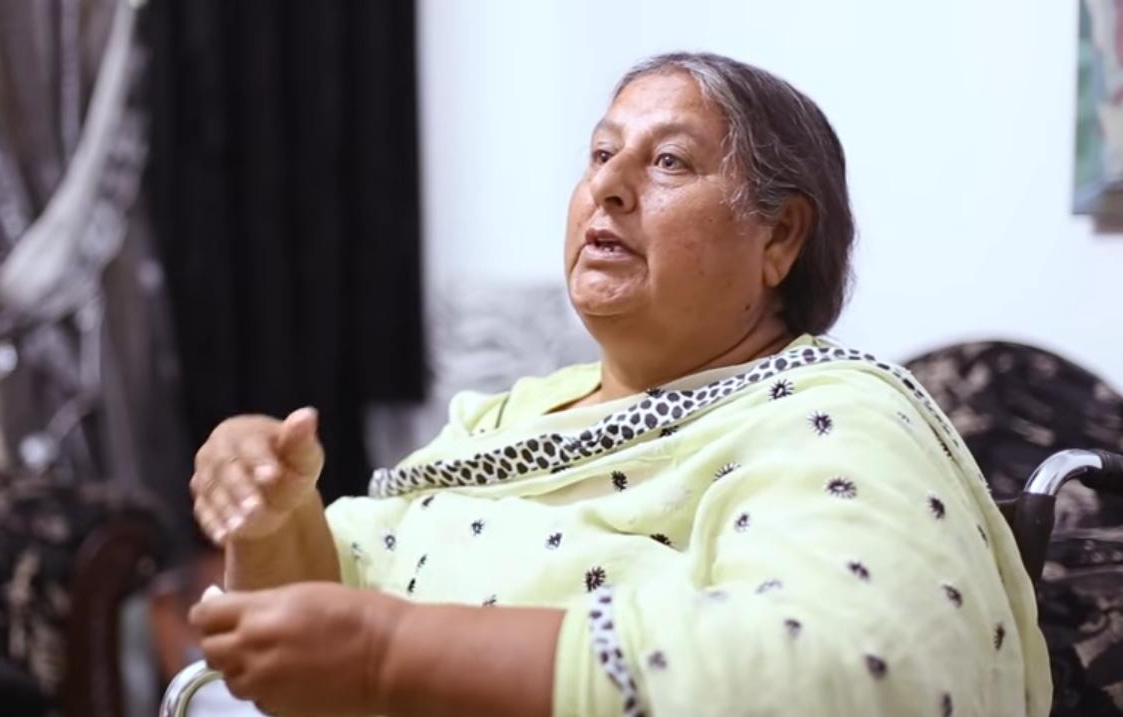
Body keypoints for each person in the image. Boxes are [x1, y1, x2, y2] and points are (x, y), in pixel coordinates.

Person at [187, 52, 1051, 717]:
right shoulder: (509, 416)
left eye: (668, 161)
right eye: (600, 153)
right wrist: (275, 519)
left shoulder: (835, 416)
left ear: (780, 236)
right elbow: (316, 633)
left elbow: (859, 671)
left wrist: (396, 651)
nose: (606, 184)